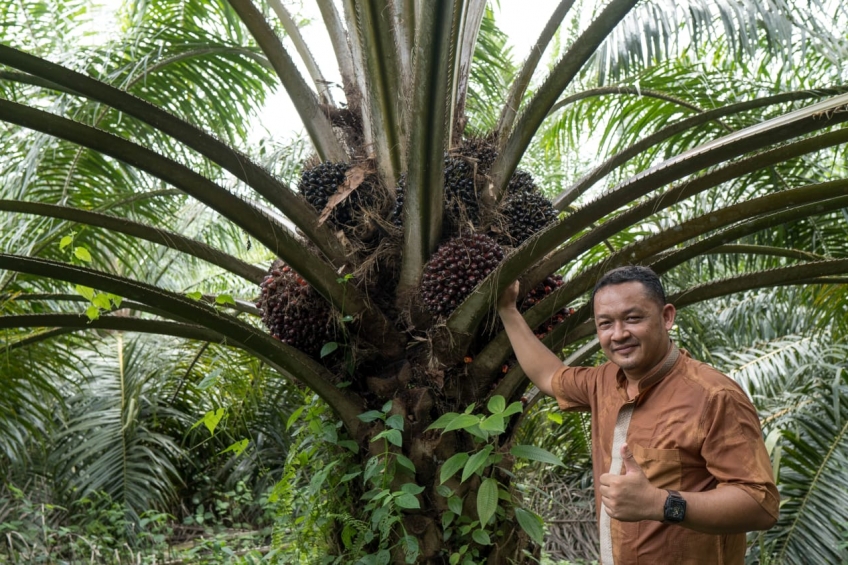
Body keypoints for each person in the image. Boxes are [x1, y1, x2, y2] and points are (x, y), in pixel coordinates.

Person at [497, 265, 778, 565]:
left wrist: (660, 503)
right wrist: (507, 309)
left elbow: (760, 505)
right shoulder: (602, 381)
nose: (618, 334)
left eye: (633, 318)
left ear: (667, 316)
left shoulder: (714, 396)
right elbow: (549, 375)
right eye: (606, 324)